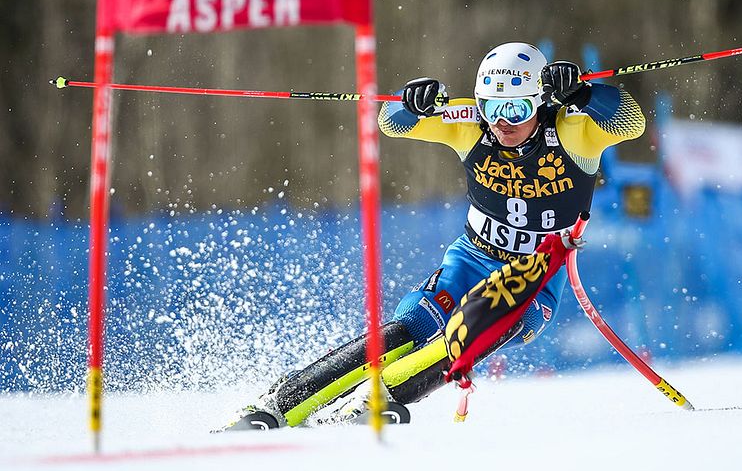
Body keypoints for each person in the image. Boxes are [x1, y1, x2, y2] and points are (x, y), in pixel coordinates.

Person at [220, 42, 644, 430]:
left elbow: (632, 122)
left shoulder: (573, 131)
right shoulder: (469, 125)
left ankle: (374, 401)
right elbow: (392, 123)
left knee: (477, 332)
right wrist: (415, 102)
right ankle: (281, 403)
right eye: (493, 108)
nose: (502, 123)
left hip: (534, 276)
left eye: (516, 110)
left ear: (539, 101)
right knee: (411, 329)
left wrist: (586, 93)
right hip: (472, 259)